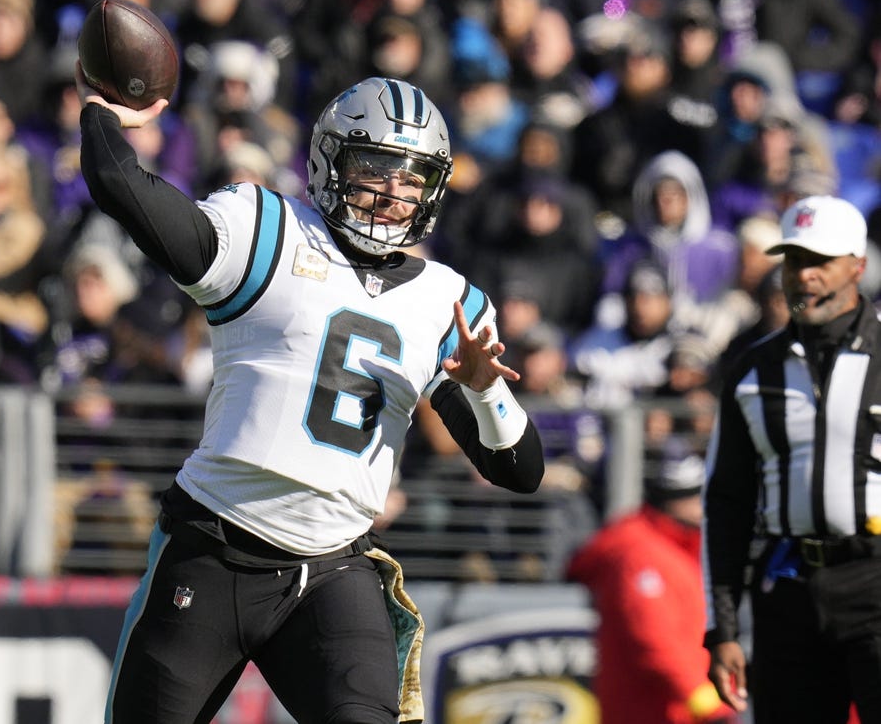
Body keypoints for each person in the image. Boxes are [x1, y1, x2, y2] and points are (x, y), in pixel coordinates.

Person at [78, 72, 545, 723]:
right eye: (375, 168)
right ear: (331, 161)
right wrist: (103, 118)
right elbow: (127, 190)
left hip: (329, 572)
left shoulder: (449, 303)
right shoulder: (266, 230)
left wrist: (486, 389)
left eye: (411, 177)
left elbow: (518, 470)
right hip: (212, 550)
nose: (392, 192)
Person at [703, 195, 881, 722]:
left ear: (858, 266)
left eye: (821, 262)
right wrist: (724, 629)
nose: (805, 278)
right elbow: (726, 503)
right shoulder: (752, 369)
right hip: (788, 591)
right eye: (795, 261)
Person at [567, 446, 739, 724]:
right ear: (677, 500)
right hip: (656, 710)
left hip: (678, 709)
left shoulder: (673, 546)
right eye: (699, 496)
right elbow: (655, 641)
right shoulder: (639, 554)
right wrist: (703, 700)